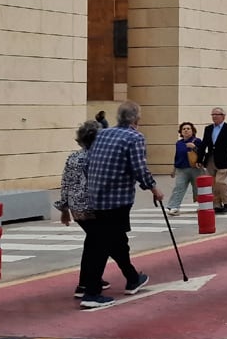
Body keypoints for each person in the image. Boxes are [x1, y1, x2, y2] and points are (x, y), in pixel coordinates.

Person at [79, 100, 163, 309]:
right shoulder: (134, 137)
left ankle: (131, 277)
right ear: (136, 119)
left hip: (95, 196)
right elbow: (139, 168)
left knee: (109, 241)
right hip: (116, 200)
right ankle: (91, 293)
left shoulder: (102, 134)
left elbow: (88, 162)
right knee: (103, 244)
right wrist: (153, 188)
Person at [54, 120, 109, 300]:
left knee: (92, 242)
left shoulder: (73, 157)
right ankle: (88, 285)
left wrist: (64, 208)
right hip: (94, 206)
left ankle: (87, 280)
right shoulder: (99, 158)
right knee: (100, 244)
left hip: (77, 208)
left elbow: (66, 183)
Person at [199, 107, 227, 213]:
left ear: (223, 116)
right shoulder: (208, 129)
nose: (214, 116)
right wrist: (200, 159)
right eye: (213, 115)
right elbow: (203, 144)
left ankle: (226, 202)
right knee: (212, 183)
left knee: (220, 183)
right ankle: (216, 204)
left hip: (224, 160)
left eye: (217, 114)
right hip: (210, 159)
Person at [165, 121, 205, 216]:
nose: (186, 130)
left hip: (195, 168)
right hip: (181, 169)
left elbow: (202, 154)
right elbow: (177, 156)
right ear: (181, 132)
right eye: (184, 129)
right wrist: (174, 169)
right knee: (179, 187)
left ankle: (202, 206)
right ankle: (174, 206)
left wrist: (194, 147)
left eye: (188, 129)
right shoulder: (179, 143)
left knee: (198, 188)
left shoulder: (197, 141)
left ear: (192, 131)